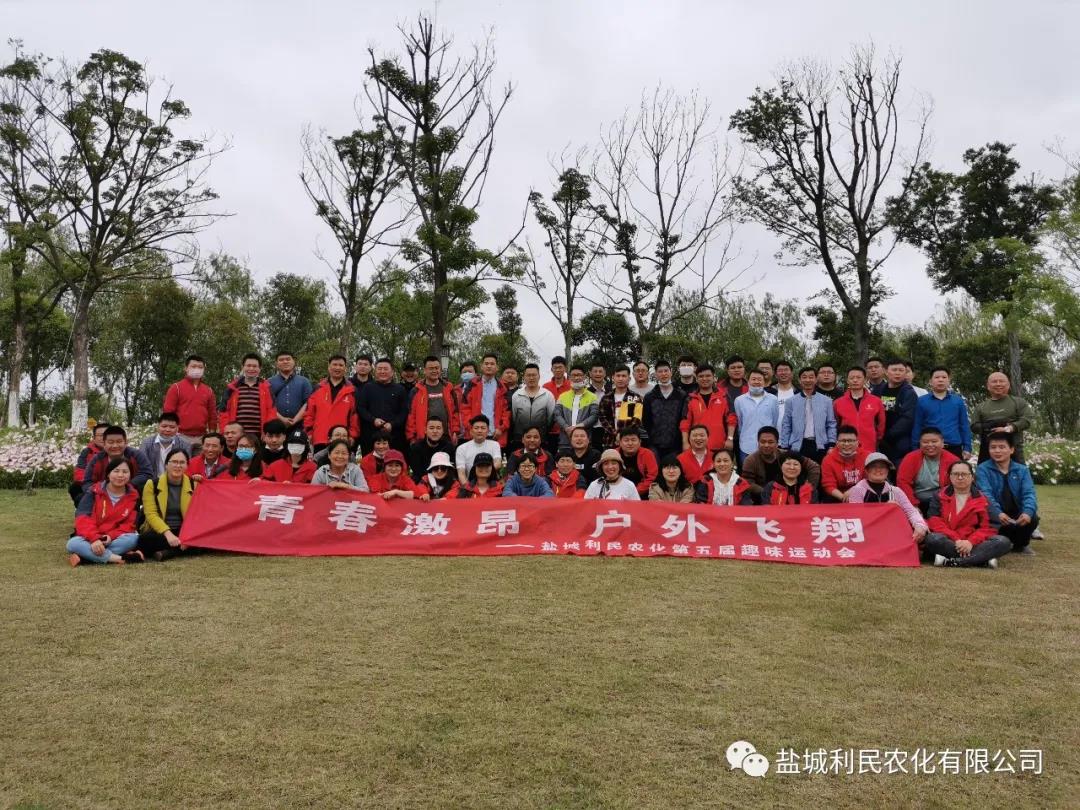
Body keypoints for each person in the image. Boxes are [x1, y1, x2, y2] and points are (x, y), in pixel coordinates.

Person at [925, 461, 1011, 569]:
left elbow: (989, 527)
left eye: (964, 474)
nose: (960, 477)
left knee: (1003, 541)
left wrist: (970, 542)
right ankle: (980, 559)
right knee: (933, 538)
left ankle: (952, 561)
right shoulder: (939, 495)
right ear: (950, 477)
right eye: (956, 474)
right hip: (950, 540)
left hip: (974, 542)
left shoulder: (982, 498)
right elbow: (934, 521)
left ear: (972, 477)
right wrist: (957, 540)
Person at [67, 457, 141, 566]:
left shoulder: (133, 496)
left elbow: (129, 525)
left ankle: (85, 558)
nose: (120, 475)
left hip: (114, 539)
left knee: (133, 539)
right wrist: (95, 539)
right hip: (90, 537)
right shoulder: (94, 492)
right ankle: (118, 558)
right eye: (116, 471)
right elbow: (82, 519)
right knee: (73, 543)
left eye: (125, 472)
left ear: (130, 475)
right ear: (108, 474)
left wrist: (110, 536)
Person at [976, 432, 1039, 555]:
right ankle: (1001, 542)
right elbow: (985, 495)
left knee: (1033, 518)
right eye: (993, 447)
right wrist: (998, 513)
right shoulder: (982, 469)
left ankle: (1020, 545)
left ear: (1011, 449)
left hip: (1016, 515)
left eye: (1002, 447)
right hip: (995, 515)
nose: (997, 451)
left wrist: (1027, 512)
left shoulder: (1022, 470)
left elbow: (1029, 493)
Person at [846, 453, 929, 547]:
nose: (878, 470)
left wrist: (920, 526)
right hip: (866, 534)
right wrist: (885, 509)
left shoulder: (896, 491)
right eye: (874, 467)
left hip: (892, 533)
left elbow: (911, 511)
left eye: (882, 467)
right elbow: (856, 517)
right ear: (867, 470)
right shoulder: (858, 490)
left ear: (888, 471)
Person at [136, 448, 196, 561]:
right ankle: (179, 549)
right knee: (145, 539)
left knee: (202, 539)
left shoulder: (194, 484)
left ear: (187, 466)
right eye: (174, 462)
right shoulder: (152, 484)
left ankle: (168, 553)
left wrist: (187, 536)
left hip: (184, 529)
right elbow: (151, 514)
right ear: (166, 465)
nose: (178, 466)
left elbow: (197, 514)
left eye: (182, 462)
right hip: (160, 530)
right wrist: (168, 534)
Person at [742, 427, 821, 503]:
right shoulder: (750, 460)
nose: (766, 445)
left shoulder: (787, 455)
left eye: (770, 442)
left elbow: (814, 467)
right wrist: (768, 492)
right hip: (761, 498)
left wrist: (808, 489)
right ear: (758, 443)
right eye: (763, 442)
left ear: (777, 443)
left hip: (791, 495)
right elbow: (747, 483)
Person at [971, 371, 1033, 464]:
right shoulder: (980, 407)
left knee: (1018, 472)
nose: (998, 384)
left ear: (1008, 385)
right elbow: (974, 427)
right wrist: (990, 426)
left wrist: (1008, 428)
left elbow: (1027, 420)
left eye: (1001, 381)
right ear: (988, 386)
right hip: (988, 451)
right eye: (994, 381)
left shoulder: (1018, 402)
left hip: (1014, 450)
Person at [911, 367, 972, 459]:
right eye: (937, 377)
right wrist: (915, 448)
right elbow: (917, 426)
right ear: (930, 381)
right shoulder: (922, 401)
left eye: (944, 377)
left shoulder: (958, 401)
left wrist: (967, 447)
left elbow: (964, 425)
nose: (940, 380)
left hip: (954, 447)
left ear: (949, 381)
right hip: (930, 447)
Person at [896, 428, 960, 515]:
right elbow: (902, 482)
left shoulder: (953, 460)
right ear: (920, 444)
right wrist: (913, 505)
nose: (930, 445)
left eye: (934, 441)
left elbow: (957, 485)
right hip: (915, 500)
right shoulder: (910, 458)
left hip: (942, 501)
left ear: (942, 443)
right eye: (925, 442)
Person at [779, 366, 837, 462]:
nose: (808, 380)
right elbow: (786, 424)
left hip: (820, 446)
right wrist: (784, 446)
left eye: (811, 377)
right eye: (804, 377)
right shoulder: (791, 401)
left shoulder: (826, 401)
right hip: (798, 446)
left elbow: (831, 423)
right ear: (799, 380)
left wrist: (831, 444)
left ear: (816, 379)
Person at [304, 354, 360, 451]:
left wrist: (352, 435)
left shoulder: (352, 390)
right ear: (329, 367)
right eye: (334, 364)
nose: (337, 368)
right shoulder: (318, 388)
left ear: (345, 368)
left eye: (341, 365)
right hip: (320, 438)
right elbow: (309, 413)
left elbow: (355, 416)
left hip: (342, 439)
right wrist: (308, 432)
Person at [80, 425, 153, 496]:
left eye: (119, 441)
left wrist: (126, 486)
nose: (115, 446)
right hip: (103, 494)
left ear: (126, 442)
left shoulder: (136, 455)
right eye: (111, 442)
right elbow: (87, 482)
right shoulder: (97, 459)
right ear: (104, 444)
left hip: (132, 492)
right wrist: (104, 489)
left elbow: (147, 473)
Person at [680, 364, 736, 456]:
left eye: (708, 376)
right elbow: (685, 423)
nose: (704, 379)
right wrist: (685, 442)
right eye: (701, 376)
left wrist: (730, 439)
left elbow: (731, 419)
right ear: (696, 379)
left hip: (719, 446)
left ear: (713, 377)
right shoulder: (690, 399)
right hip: (697, 446)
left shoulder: (724, 396)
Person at [356, 357, 409, 453]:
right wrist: (373, 420)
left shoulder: (400, 389)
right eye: (379, 369)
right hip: (371, 436)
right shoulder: (368, 388)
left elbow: (404, 412)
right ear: (375, 371)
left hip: (394, 436)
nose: (382, 371)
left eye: (385, 369)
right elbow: (361, 408)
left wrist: (392, 424)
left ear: (392, 372)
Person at [218, 353, 276, 439]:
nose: (251, 368)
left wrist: (268, 431)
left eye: (254, 366)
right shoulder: (232, 388)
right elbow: (223, 412)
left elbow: (271, 411)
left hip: (260, 436)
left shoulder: (267, 388)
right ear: (242, 367)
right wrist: (226, 432)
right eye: (248, 366)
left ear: (260, 368)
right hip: (236, 435)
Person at [163, 355, 217, 446]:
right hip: (180, 436)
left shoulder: (209, 390)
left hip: (202, 437)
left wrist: (212, 435)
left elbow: (212, 415)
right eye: (193, 366)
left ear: (204, 369)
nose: (197, 369)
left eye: (200, 367)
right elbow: (168, 413)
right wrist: (170, 434)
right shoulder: (176, 388)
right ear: (186, 368)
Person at [459, 354, 510, 450]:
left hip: (495, 434)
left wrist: (501, 428)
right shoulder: (472, 384)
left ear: (497, 367)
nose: (489, 366)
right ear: (481, 366)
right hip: (475, 433)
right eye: (486, 363)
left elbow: (506, 411)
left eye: (492, 364)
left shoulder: (503, 387)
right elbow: (465, 409)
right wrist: (470, 427)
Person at [406, 356, 460, 447]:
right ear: (424, 370)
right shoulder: (416, 390)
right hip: (423, 439)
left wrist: (455, 431)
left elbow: (455, 412)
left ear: (440, 369)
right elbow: (411, 416)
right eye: (431, 368)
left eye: (437, 368)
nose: (434, 371)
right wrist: (411, 437)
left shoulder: (449, 388)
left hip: (446, 437)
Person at [643, 360, 688, 462]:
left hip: (676, 444)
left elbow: (684, 419)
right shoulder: (650, 396)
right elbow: (646, 421)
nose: (663, 374)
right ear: (655, 374)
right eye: (660, 371)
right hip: (654, 444)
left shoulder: (681, 395)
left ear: (671, 372)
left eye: (666, 371)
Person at [834, 366, 885, 454]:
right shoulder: (838, 403)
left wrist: (877, 438)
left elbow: (881, 424)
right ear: (847, 380)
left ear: (865, 380)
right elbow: (835, 424)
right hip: (846, 447)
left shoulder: (876, 401)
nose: (855, 380)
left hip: (869, 446)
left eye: (858, 377)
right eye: (852, 378)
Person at [733, 369, 780, 465]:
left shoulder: (773, 399)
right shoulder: (739, 400)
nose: (756, 382)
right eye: (753, 379)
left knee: (768, 472)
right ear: (748, 381)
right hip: (746, 446)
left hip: (768, 446)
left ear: (764, 382)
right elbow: (740, 423)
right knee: (747, 472)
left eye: (759, 379)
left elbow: (774, 422)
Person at [877, 358, 918, 466]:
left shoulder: (909, 393)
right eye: (894, 370)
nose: (898, 373)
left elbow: (908, 418)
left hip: (900, 441)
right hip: (879, 440)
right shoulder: (878, 390)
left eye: (901, 370)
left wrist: (888, 435)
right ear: (886, 372)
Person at [510, 363, 555, 449]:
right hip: (520, 440)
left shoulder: (548, 395)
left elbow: (550, 419)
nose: (531, 378)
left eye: (534, 375)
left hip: (541, 439)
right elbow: (514, 417)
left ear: (539, 376)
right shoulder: (516, 395)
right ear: (524, 377)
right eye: (528, 375)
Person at [553, 366, 599, 449]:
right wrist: (566, 428)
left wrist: (579, 426)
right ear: (569, 377)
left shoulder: (592, 397)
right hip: (565, 441)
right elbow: (557, 415)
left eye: (579, 375)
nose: (576, 378)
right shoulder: (562, 396)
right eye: (573, 375)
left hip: (585, 441)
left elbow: (594, 416)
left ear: (584, 377)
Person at [598, 365, 645, 447]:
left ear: (629, 379)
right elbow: (602, 418)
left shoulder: (635, 397)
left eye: (623, 376)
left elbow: (636, 420)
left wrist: (623, 434)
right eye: (618, 376)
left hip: (630, 442)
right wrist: (615, 434)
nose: (620, 379)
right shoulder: (606, 398)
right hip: (610, 440)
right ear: (613, 378)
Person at [820, 425, 869, 502]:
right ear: (837, 443)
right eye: (843, 441)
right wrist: (844, 498)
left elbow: (869, 480)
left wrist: (854, 491)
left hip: (861, 492)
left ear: (857, 442)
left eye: (850, 441)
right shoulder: (828, 460)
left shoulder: (867, 457)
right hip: (838, 497)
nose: (846, 444)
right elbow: (828, 485)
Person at [136, 413, 192, 479]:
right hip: (152, 480)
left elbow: (186, 467)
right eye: (164, 426)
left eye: (172, 427)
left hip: (176, 480)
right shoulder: (147, 443)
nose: (167, 430)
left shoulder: (185, 444)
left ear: (177, 428)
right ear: (158, 426)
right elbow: (142, 466)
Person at [267, 351, 312, 431]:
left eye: (288, 359)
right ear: (276, 364)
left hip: (299, 426)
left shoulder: (304, 381)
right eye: (281, 360)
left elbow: (308, 403)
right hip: (275, 426)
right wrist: (282, 419)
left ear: (294, 362)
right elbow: (267, 404)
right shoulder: (269, 382)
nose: (285, 362)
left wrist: (295, 420)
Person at [455, 415, 503, 485]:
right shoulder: (461, 448)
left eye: (483, 428)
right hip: (471, 485)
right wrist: (468, 488)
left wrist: (482, 473)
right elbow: (461, 473)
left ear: (488, 431)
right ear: (471, 431)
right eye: (476, 428)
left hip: (491, 484)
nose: (479, 431)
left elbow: (498, 464)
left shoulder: (495, 444)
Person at [70, 423, 109, 505]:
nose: (103, 438)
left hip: (113, 485)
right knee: (75, 488)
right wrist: (93, 487)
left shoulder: (119, 451)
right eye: (100, 435)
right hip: (91, 485)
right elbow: (79, 473)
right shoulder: (87, 452)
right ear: (94, 438)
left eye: (106, 434)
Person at [408, 417, 454, 484]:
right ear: (425, 430)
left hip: (444, 481)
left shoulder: (449, 447)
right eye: (431, 428)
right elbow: (417, 472)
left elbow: (450, 470)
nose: (435, 431)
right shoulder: (416, 448)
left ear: (443, 431)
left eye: (438, 428)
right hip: (423, 482)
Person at [617, 427, 658, 497]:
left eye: (633, 440)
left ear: (640, 442)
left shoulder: (647, 454)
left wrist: (635, 492)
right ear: (620, 442)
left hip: (643, 492)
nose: (630, 443)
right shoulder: (614, 454)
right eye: (626, 440)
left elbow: (652, 476)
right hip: (618, 491)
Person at [543, 356, 572, 455]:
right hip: (549, 431)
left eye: (560, 367)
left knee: (566, 457)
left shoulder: (571, 386)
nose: (558, 370)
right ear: (551, 369)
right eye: (555, 368)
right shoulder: (545, 387)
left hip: (567, 430)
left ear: (565, 369)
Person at [773, 361, 797, 426]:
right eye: (780, 370)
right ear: (775, 375)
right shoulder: (769, 392)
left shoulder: (799, 393)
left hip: (794, 431)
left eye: (786, 370)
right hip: (772, 431)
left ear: (792, 374)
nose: (783, 373)